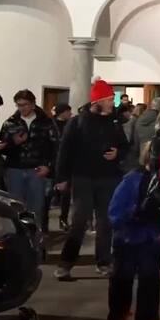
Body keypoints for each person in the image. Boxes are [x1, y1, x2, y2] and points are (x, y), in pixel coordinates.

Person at [54, 80, 130, 279]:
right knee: (78, 222)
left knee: (106, 222)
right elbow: (65, 151)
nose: (111, 103)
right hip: (83, 178)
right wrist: (61, 177)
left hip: (109, 178)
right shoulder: (77, 122)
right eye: (107, 100)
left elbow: (125, 147)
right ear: (97, 101)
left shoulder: (114, 123)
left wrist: (118, 154)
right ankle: (66, 263)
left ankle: (103, 261)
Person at [107, 143, 160, 320]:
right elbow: (115, 211)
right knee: (122, 280)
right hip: (128, 238)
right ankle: (118, 316)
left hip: (151, 239)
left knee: (149, 281)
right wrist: (133, 214)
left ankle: (147, 319)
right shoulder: (133, 179)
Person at [0, 89, 59, 231]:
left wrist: (48, 167)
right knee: (15, 208)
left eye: (25, 104)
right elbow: (1, 148)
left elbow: (55, 147)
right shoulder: (10, 123)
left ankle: (35, 239)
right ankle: (18, 239)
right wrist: (13, 142)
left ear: (33, 104)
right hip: (15, 169)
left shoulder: (46, 122)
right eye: (19, 105)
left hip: (37, 170)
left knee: (36, 209)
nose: (22, 108)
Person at [49, 102, 75, 230]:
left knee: (66, 193)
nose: (70, 114)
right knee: (49, 192)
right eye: (68, 111)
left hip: (66, 162)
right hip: (52, 161)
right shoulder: (51, 125)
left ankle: (63, 218)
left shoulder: (71, 125)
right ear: (63, 112)